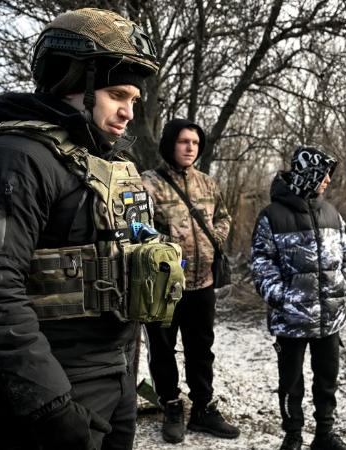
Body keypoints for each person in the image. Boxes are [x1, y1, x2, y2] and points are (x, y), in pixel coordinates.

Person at [0, 8, 162, 450]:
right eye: (116, 94)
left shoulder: (106, 162)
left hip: (116, 371)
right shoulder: (12, 159)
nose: (127, 112)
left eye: (134, 101)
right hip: (57, 386)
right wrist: (48, 405)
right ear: (72, 82)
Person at [140, 118, 239, 444]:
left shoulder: (208, 184)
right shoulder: (148, 183)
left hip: (202, 282)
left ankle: (202, 409)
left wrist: (217, 241)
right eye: (183, 141)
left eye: (195, 143)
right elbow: (137, 228)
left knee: (201, 348)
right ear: (170, 144)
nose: (189, 148)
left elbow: (223, 218)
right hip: (163, 286)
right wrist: (169, 248)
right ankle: (170, 406)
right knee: (163, 348)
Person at [251, 147, 346, 450]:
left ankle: (324, 434)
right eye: (323, 174)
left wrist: (345, 286)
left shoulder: (332, 212)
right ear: (306, 173)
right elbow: (261, 263)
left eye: (328, 175)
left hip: (330, 318)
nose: (327, 181)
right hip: (291, 320)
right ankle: (293, 436)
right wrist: (281, 297)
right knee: (291, 383)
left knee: (327, 380)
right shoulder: (272, 215)